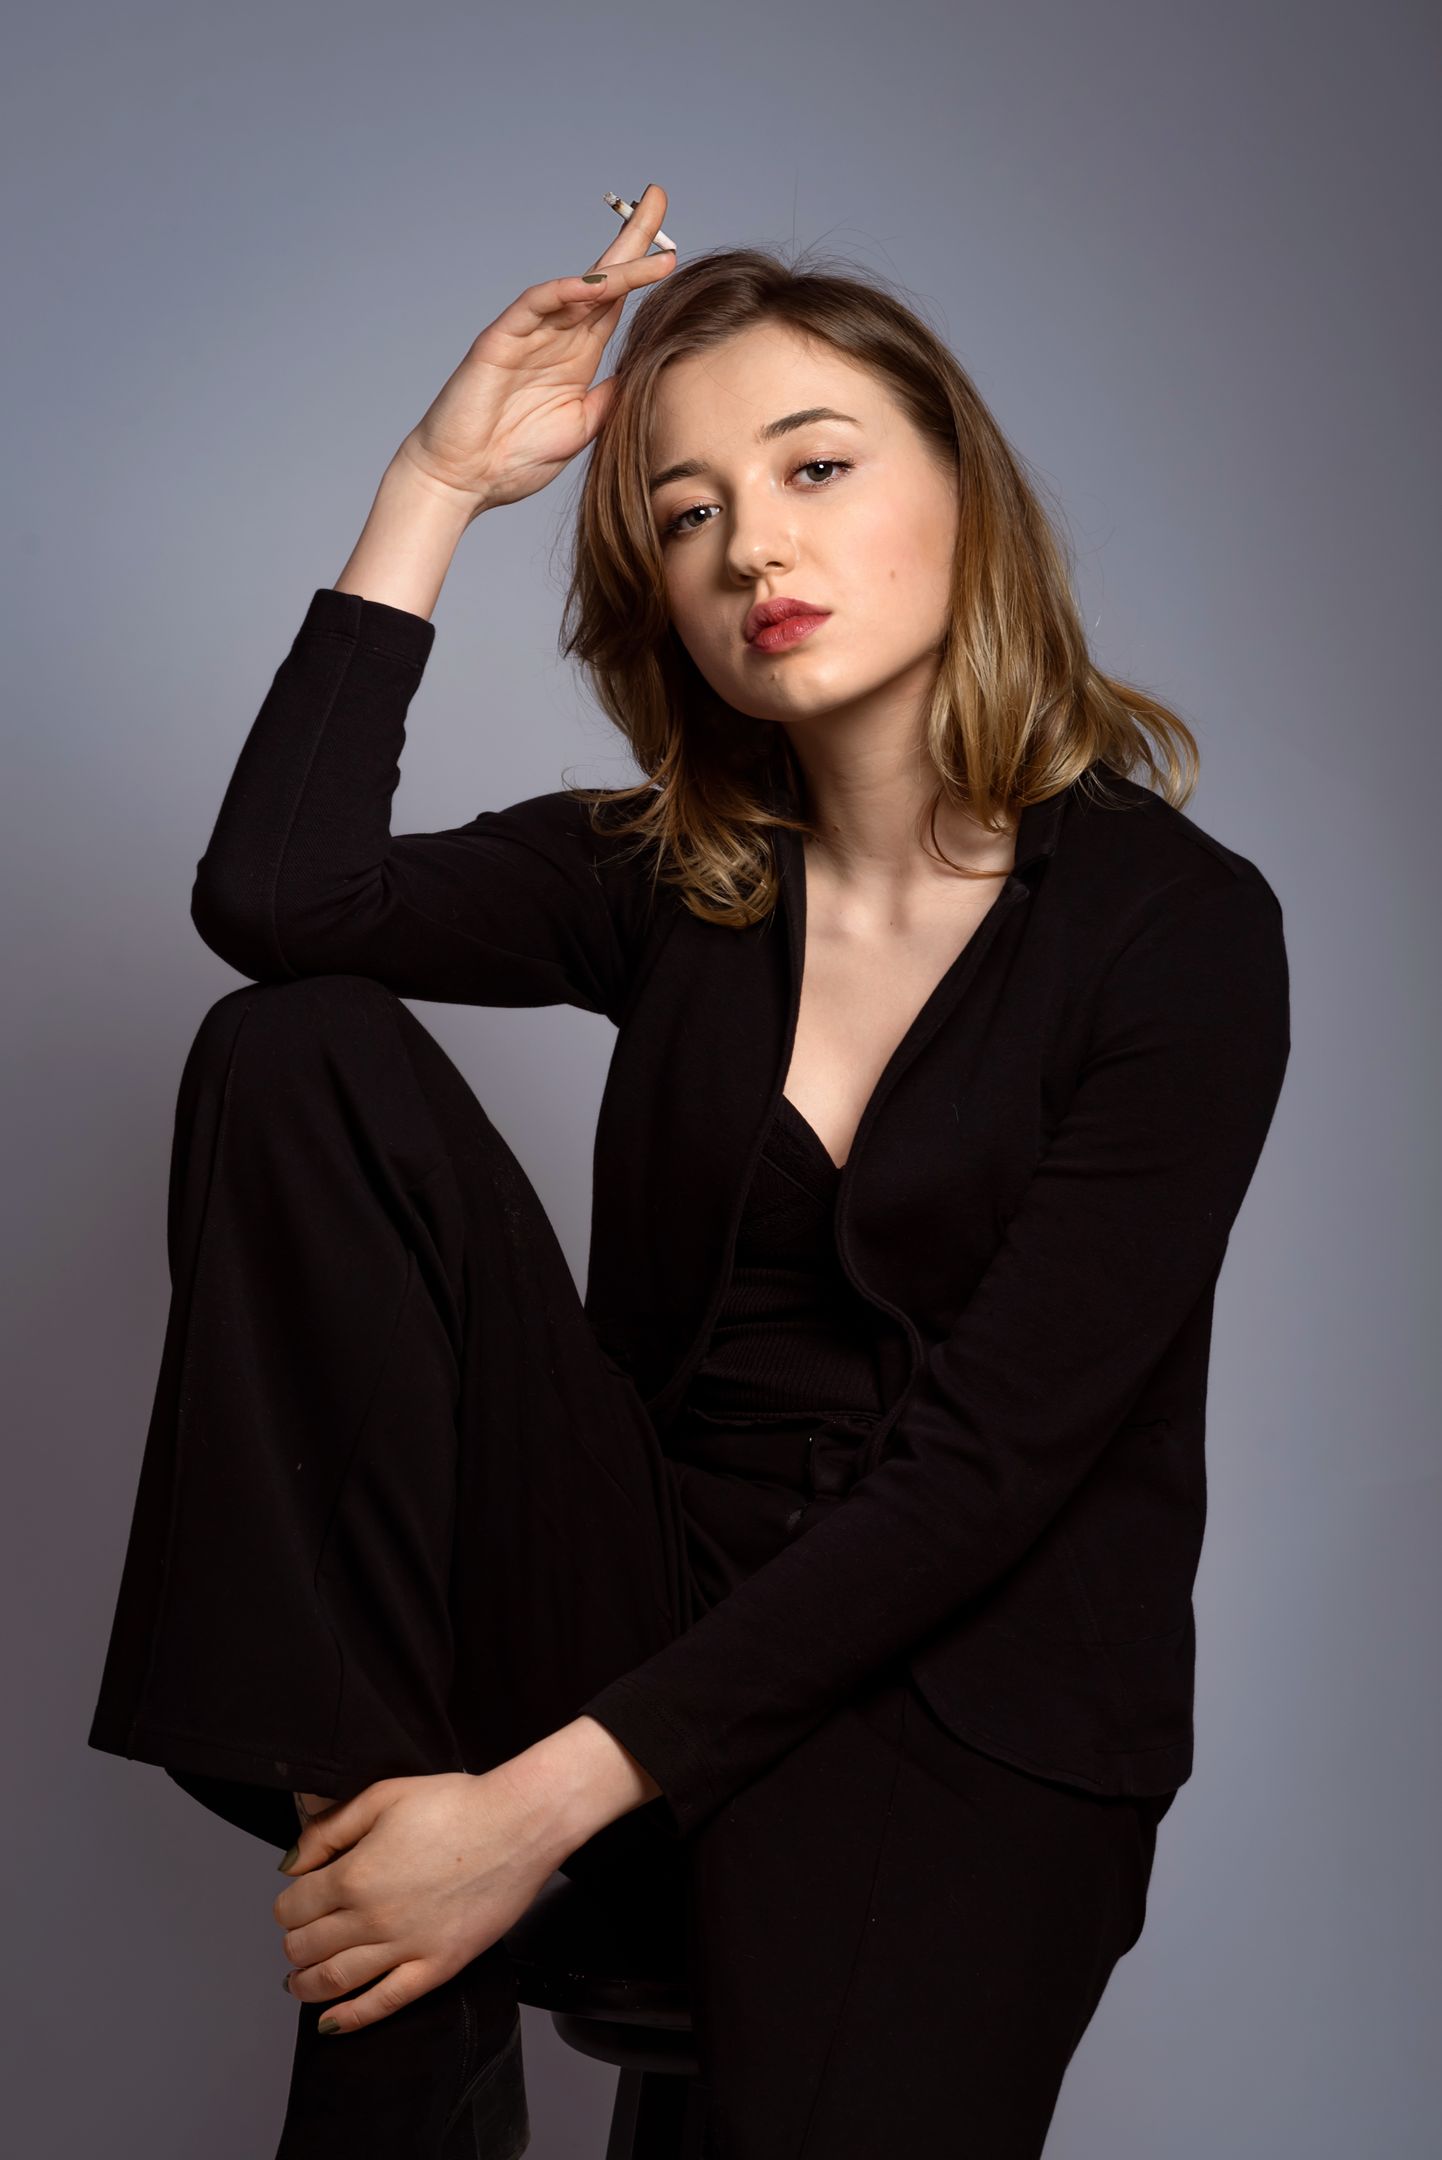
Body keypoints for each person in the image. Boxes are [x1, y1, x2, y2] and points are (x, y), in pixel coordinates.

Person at [86, 184, 1291, 2158]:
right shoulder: (674, 875)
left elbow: (990, 1472)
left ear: (965, 496)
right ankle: (380, 1878)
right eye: (684, 513)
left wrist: (521, 1817)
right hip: (629, 1597)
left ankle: (439, 1885)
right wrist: (434, 485)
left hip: (955, 1704)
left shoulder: (1174, 931)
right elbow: (279, 899)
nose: (752, 548)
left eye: (814, 468)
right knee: (296, 1047)